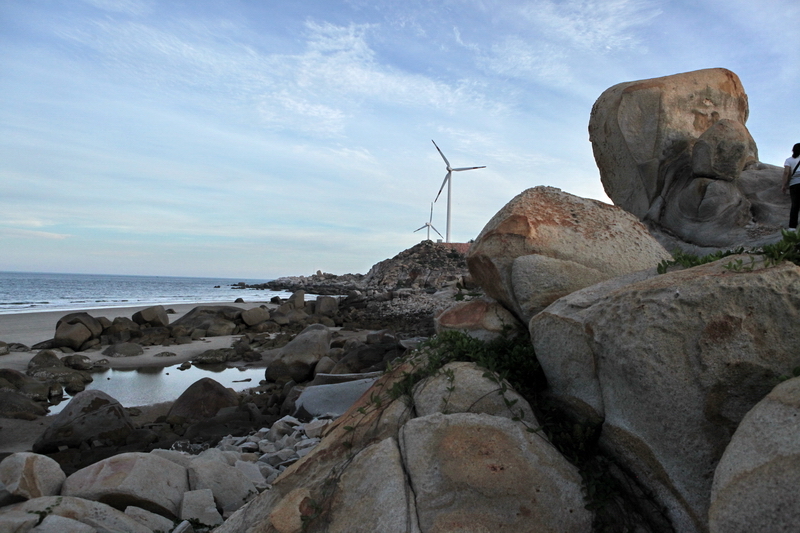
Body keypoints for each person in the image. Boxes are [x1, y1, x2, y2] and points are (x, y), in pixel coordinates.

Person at [781, 143, 800, 230]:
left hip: (794, 185)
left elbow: (786, 173)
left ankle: (792, 227)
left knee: (795, 205)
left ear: (793, 150)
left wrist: (784, 185)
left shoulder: (788, 160)